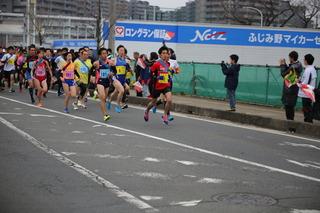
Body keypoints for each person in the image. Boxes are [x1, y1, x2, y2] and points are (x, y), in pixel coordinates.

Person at [144, 46, 173, 125]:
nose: (165, 55)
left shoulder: (168, 64)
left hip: (166, 85)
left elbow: (167, 73)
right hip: (157, 86)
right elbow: (151, 73)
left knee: (169, 100)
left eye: (166, 53)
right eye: (163, 53)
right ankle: (146, 111)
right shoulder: (156, 64)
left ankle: (164, 115)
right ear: (160, 55)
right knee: (153, 102)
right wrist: (155, 76)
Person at [280, 51, 303, 124]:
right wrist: (286, 65)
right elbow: (289, 72)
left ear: (292, 58)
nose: (289, 59)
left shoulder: (293, 67)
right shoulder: (297, 65)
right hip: (293, 90)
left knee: (289, 108)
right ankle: (290, 125)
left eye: (289, 57)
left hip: (289, 90)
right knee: (290, 108)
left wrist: (282, 65)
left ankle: (291, 126)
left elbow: (284, 74)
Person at [92, 48, 114, 121]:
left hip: (107, 81)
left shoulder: (110, 62)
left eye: (106, 53)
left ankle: (96, 94)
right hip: (100, 81)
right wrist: (92, 77)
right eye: (103, 53)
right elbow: (91, 71)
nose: (105, 55)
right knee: (103, 97)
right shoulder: (96, 63)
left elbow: (115, 71)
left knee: (104, 99)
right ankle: (105, 115)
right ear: (100, 55)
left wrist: (112, 73)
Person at [108, 45, 130, 113]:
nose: (122, 52)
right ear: (117, 51)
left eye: (123, 50)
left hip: (122, 78)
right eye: (120, 50)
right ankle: (117, 105)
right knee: (122, 91)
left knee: (117, 91)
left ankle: (109, 101)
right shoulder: (114, 59)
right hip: (115, 78)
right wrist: (110, 73)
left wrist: (128, 71)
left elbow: (127, 70)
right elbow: (109, 68)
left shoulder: (126, 61)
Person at [298, 54, 317, 123]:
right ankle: (308, 121)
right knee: (307, 108)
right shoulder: (311, 69)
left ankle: (308, 122)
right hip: (308, 92)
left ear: (306, 60)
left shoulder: (309, 70)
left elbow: (306, 83)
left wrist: (299, 83)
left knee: (307, 108)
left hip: (306, 93)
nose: (303, 60)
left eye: (304, 59)